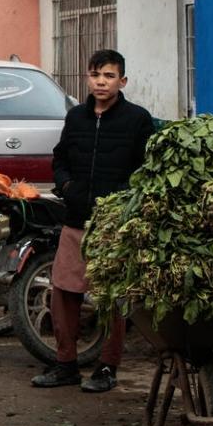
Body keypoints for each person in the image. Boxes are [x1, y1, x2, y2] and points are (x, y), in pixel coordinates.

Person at [32, 48, 155, 393]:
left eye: (109, 76)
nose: (101, 82)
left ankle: (107, 367)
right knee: (64, 291)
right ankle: (65, 363)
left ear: (122, 81)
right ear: (88, 77)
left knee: (111, 298)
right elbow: (60, 157)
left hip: (114, 224)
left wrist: (119, 198)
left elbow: (145, 169)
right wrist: (67, 185)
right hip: (75, 220)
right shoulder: (76, 118)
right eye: (96, 75)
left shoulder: (137, 119)